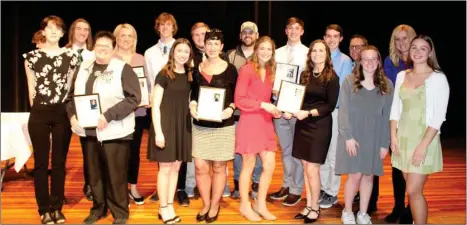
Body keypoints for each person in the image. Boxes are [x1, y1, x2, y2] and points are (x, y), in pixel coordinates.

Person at [67, 31, 141, 225]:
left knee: (115, 175)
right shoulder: (84, 68)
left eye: (107, 46)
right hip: (89, 132)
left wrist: (108, 115)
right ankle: (98, 209)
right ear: (94, 47)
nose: (102, 49)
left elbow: (134, 98)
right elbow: (71, 97)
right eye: (99, 45)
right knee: (94, 175)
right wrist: (72, 115)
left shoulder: (122, 68)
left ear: (113, 48)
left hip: (115, 131)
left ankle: (120, 213)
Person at [23, 15, 80, 225]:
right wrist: (37, 109)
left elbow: (71, 87)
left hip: (61, 113)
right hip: (39, 112)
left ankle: (57, 207)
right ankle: (43, 209)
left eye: (58, 28)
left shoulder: (72, 56)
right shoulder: (31, 57)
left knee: (58, 163)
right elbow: (31, 88)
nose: (54, 31)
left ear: (64, 33)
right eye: (49, 28)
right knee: (40, 163)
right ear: (43, 32)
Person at [390, 34, 449, 224]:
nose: (417, 52)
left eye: (423, 48)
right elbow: (395, 109)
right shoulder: (401, 76)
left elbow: (439, 116)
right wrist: (393, 136)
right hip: (403, 137)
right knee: (412, 189)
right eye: (414, 47)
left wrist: (423, 145)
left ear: (430, 52)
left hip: (425, 138)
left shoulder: (438, 78)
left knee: (413, 190)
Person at [336, 45, 394, 224]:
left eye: (373, 59)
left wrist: (385, 143)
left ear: (378, 62)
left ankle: (362, 213)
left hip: (375, 137)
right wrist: (348, 137)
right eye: (365, 59)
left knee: (369, 175)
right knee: (355, 175)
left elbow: (388, 116)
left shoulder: (387, 84)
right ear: (359, 62)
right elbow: (343, 111)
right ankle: (347, 211)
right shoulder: (348, 81)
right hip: (353, 137)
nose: (369, 62)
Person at [286, 39, 340, 223]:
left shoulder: (332, 77)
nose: (317, 54)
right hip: (303, 123)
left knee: (312, 169)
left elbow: (330, 106)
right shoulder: (305, 74)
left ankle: (315, 207)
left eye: (321, 51)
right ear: (310, 54)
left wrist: (307, 113)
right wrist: (289, 110)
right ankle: (309, 204)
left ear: (327, 54)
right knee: (305, 166)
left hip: (319, 125)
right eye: (314, 51)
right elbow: (298, 97)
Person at [189, 29, 237, 223]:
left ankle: (215, 204)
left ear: (222, 47)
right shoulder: (197, 68)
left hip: (223, 125)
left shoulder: (231, 69)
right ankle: (206, 203)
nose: (212, 47)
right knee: (200, 166)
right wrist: (192, 104)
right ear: (204, 45)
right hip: (200, 124)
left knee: (219, 166)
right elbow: (193, 93)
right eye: (209, 43)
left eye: (216, 44)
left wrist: (232, 107)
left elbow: (235, 95)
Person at [235, 36, 281, 222]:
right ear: (256, 49)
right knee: (248, 165)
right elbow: (239, 100)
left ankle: (260, 203)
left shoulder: (271, 70)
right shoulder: (247, 69)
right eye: (262, 48)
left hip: (265, 122)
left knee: (270, 165)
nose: (265, 52)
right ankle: (245, 205)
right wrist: (264, 105)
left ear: (272, 52)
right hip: (249, 121)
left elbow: (269, 98)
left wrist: (275, 107)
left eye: (269, 49)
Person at [149, 38, 194, 224]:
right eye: (179, 50)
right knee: (165, 168)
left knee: (176, 167)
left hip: (182, 125)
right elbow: (155, 105)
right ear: (173, 52)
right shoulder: (164, 74)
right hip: (165, 125)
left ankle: (169, 204)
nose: (182, 54)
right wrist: (159, 132)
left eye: (186, 51)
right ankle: (163, 207)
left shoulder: (190, 75)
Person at [184, 22, 231, 199]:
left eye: (203, 34)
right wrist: (193, 103)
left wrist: (231, 107)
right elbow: (192, 89)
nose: (201, 39)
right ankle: (191, 185)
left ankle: (221, 187)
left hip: (220, 120)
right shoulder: (190, 59)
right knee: (198, 159)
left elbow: (232, 92)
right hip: (198, 116)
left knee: (220, 159)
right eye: (196, 35)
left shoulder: (226, 61)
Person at [269, 17, 308, 207]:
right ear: (285, 31)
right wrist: (273, 90)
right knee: (285, 150)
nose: (293, 31)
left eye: (297, 28)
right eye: (290, 28)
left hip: (297, 109)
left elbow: (309, 82)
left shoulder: (309, 53)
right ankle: (286, 183)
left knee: (297, 151)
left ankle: (296, 189)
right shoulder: (276, 53)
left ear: (302, 31)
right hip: (279, 107)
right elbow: (270, 78)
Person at [383, 24, 417, 224]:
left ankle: (411, 208)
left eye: (405, 38)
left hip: (414, 120)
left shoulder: (420, 61)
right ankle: (398, 207)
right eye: (397, 39)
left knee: (412, 167)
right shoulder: (389, 62)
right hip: (395, 119)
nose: (401, 42)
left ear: (412, 39)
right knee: (397, 166)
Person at [113, 23, 149, 206]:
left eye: (130, 36)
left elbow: (146, 85)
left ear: (134, 39)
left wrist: (148, 98)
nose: (126, 39)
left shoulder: (140, 59)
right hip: (116, 115)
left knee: (133, 152)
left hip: (138, 113)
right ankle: (119, 190)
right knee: (118, 153)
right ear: (116, 38)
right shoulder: (110, 58)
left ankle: (133, 186)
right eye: (122, 35)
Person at [227, 21, 262, 200]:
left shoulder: (263, 55)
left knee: (257, 151)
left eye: (251, 32)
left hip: (258, 114)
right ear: (240, 35)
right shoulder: (231, 56)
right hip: (237, 114)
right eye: (244, 32)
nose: (248, 35)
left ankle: (256, 183)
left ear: (256, 35)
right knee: (239, 152)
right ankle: (238, 185)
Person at [320, 24, 353, 209]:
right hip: (320, 113)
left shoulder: (345, 61)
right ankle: (324, 188)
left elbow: (343, 90)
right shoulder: (318, 57)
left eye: (335, 36)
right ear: (324, 37)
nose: (331, 39)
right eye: (328, 36)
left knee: (334, 154)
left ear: (341, 39)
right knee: (322, 153)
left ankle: (332, 192)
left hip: (335, 111)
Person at [64, 18, 96, 201]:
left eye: (86, 29)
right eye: (79, 29)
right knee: (62, 149)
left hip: (86, 106)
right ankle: (59, 191)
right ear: (72, 31)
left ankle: (90, 184)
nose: (83, 33)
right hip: (65, 105)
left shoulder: (93, 54)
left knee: (89, 150)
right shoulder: (63, 52)